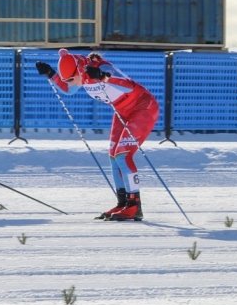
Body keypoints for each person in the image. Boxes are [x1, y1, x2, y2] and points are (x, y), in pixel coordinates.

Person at [36, 49, 159, 221]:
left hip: (143, 108)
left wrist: (103, 76)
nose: (70, 83)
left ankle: (134, 205)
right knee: (113, 156)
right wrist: (51, 74)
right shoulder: (80, 74)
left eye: (71, 79)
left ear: (77, 69)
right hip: (122, 111)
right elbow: (68, 90)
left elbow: (129, 85)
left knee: (123, 155)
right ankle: (123, 202)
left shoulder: (99, 67)